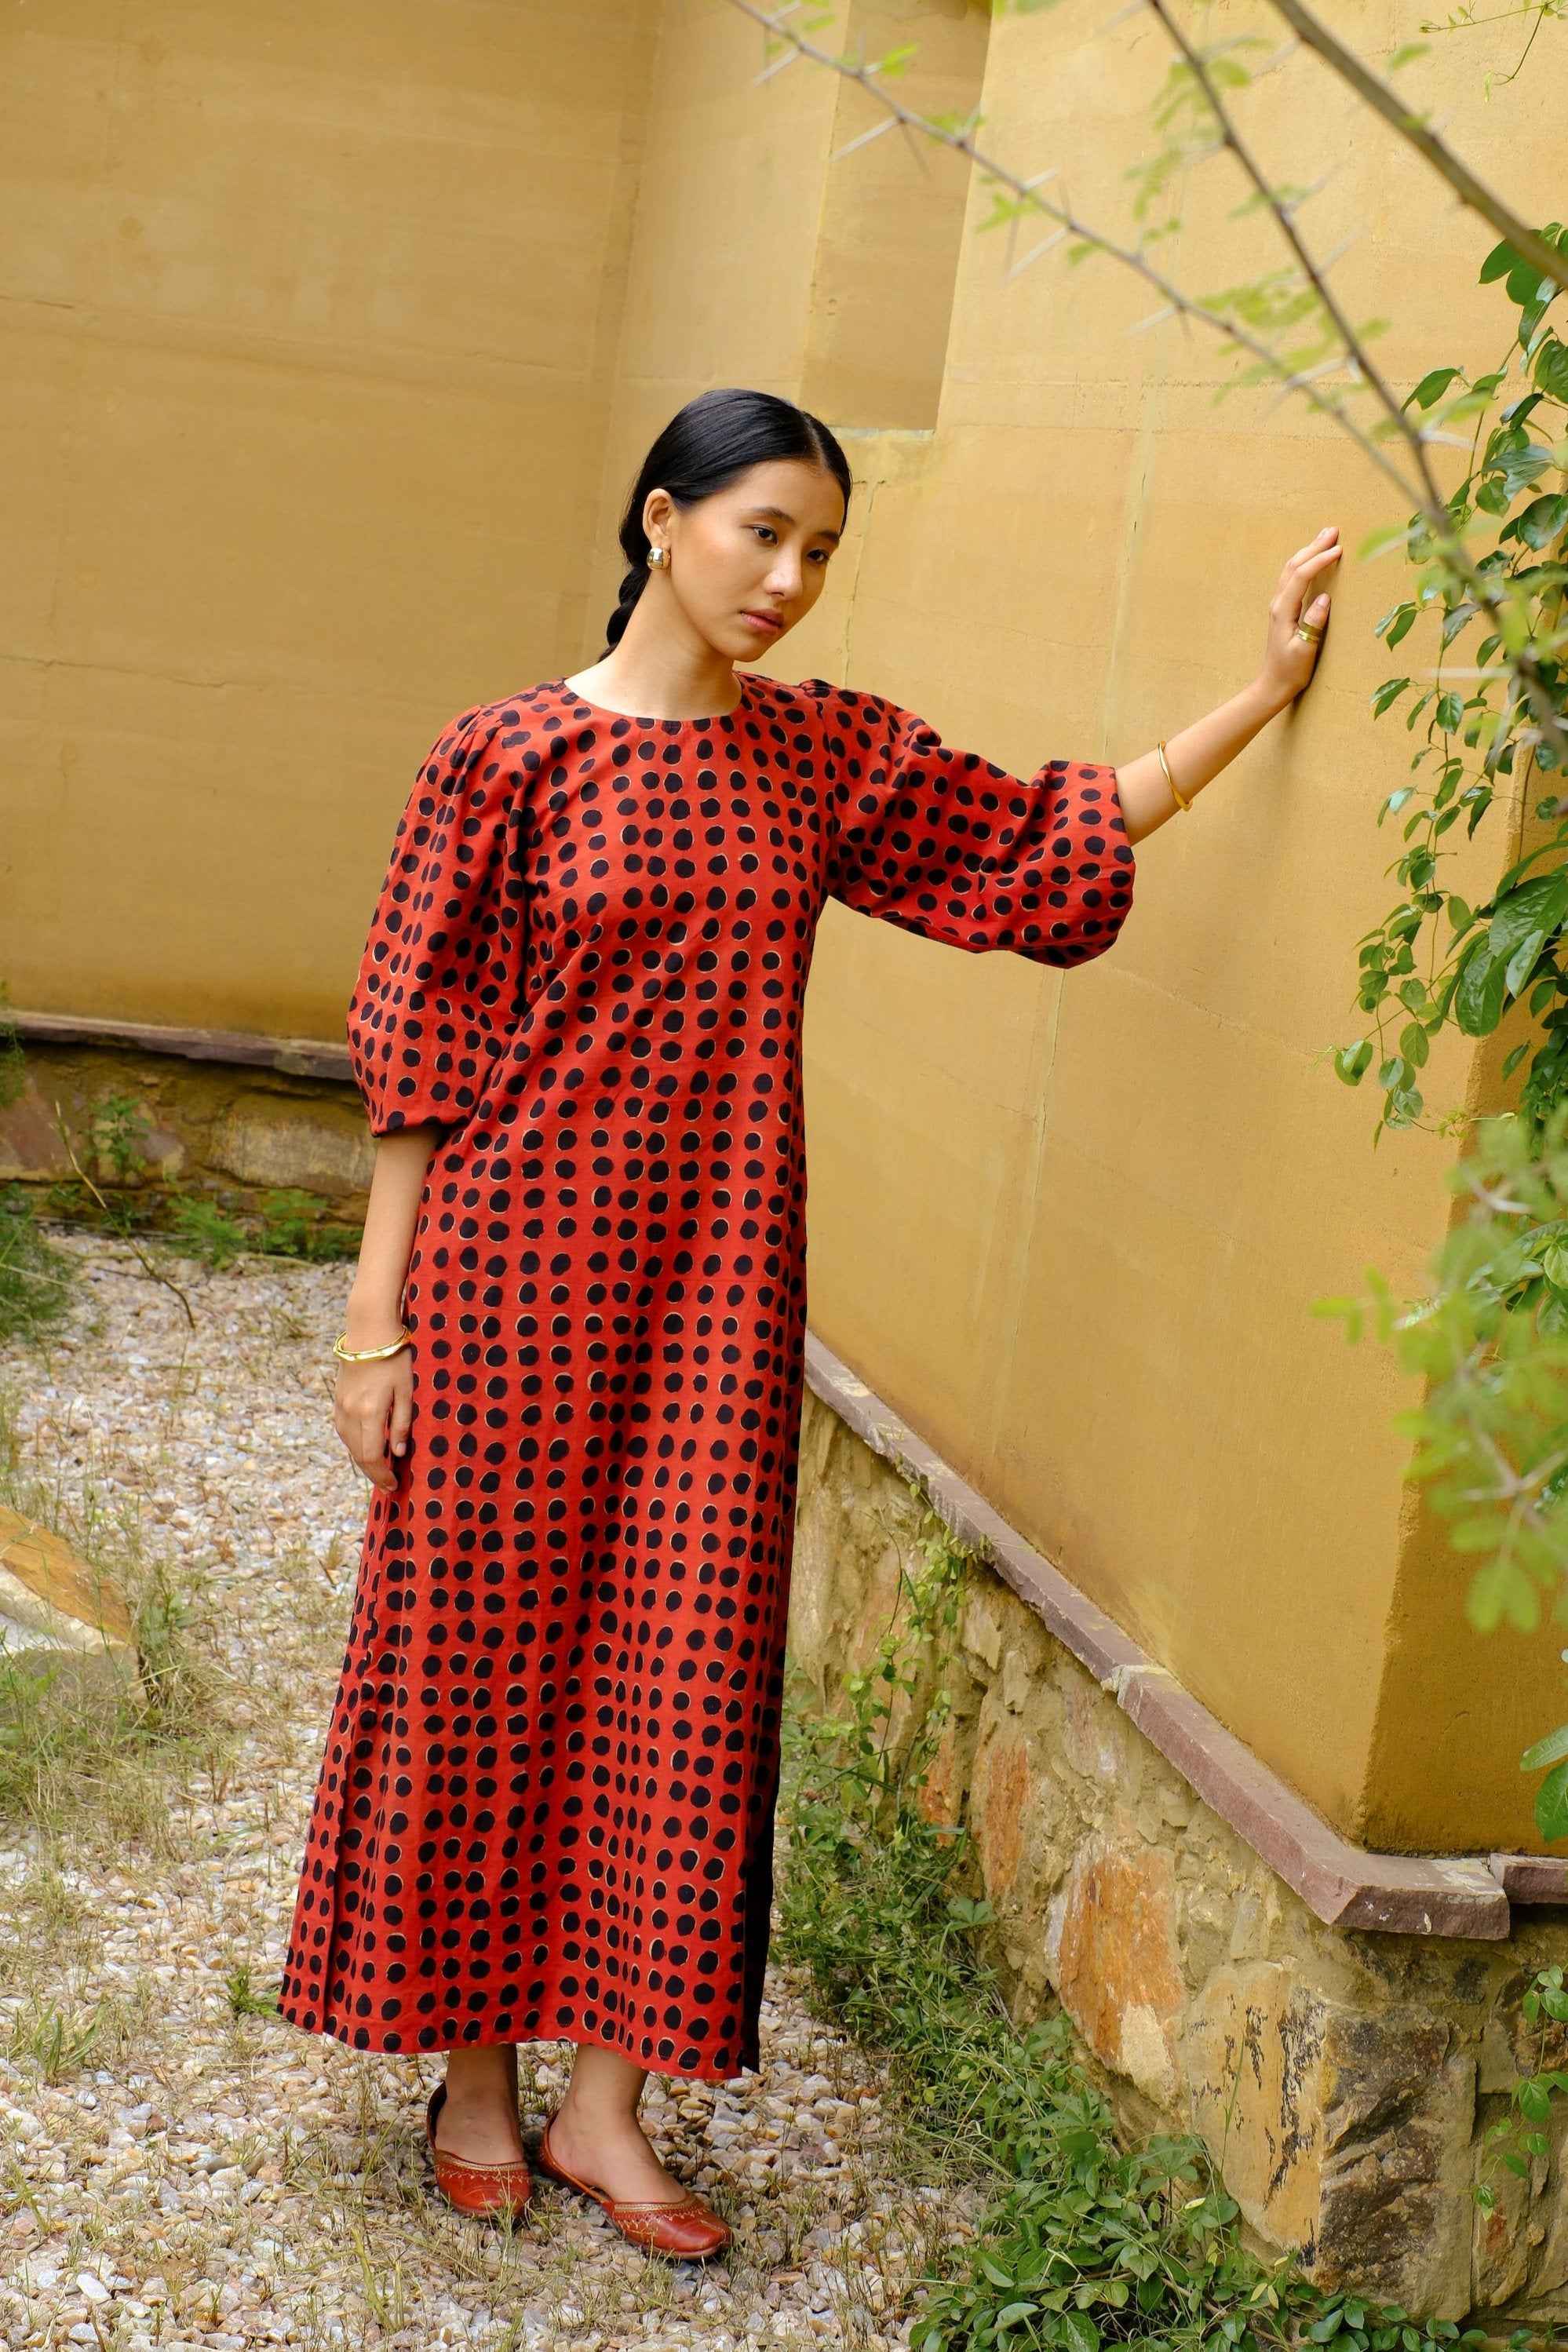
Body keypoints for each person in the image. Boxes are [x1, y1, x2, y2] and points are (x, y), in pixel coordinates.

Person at [279, 387, 1339, 2256]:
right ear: (663, 518)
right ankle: (471, 2081)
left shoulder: (818, 758)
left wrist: (1253, 698)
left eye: (824, 549)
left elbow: (1032, 841)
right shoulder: (503, 757)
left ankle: (609, 2109)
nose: (792, 577)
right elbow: (418, 1058)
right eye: (763, 530)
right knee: (480, 1660)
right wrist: (379, 1324)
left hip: (715, 1292)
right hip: (511, 1279)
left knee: (677, 1680)